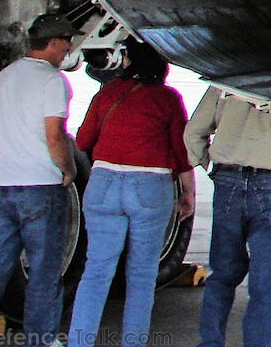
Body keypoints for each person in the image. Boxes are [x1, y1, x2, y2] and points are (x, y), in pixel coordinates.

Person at [68, 39, 196, 347]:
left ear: (129, 62)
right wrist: (188, 192)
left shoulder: (107, 94)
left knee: (96, 271)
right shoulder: (168, 98)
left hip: (104, 184)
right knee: (140, 276)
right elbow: (182, 152)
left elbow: (83, 140)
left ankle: (79, 342)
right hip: (149, 187)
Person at [185, 86, 271, 347]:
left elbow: (194, 131)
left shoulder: (225, 83)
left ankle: (210, 343)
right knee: (265, 284)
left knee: (222, 275)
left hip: (228, 179)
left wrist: (207, 164)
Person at [0, 12, 77, 345]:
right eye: (66, 41)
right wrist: (68, 169)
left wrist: (7, 157)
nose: (69, 48)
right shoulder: (52, 81)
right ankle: (41, 340)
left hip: (1, 184)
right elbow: (54, 135)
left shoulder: (5, 76)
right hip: (40, 189)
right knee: (45, 272)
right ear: (53, 43)